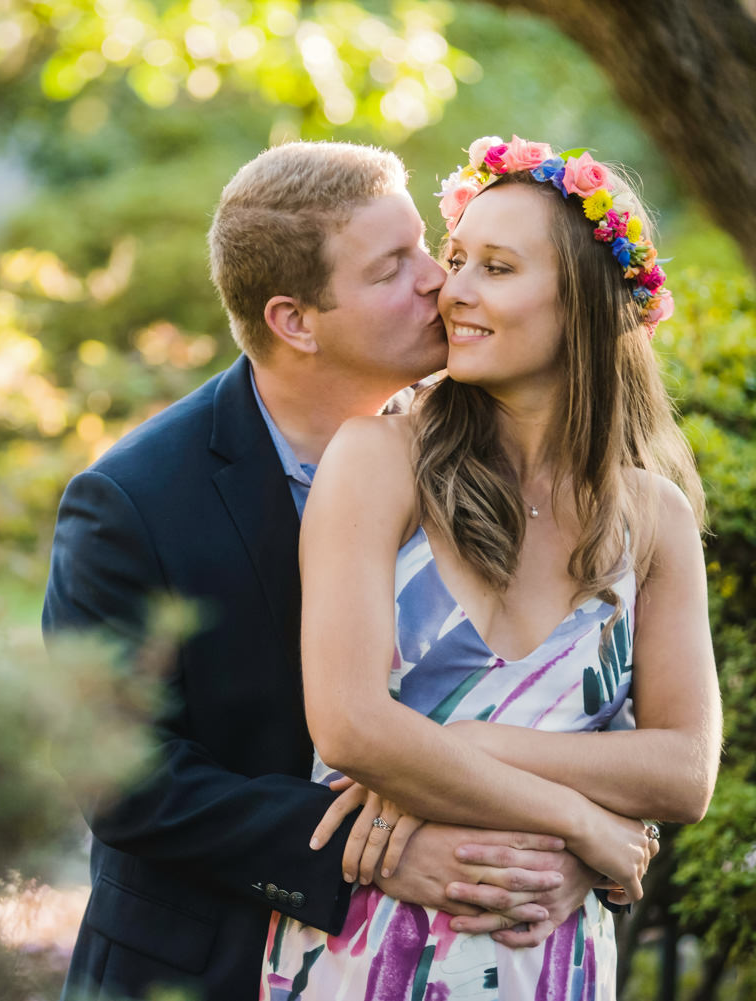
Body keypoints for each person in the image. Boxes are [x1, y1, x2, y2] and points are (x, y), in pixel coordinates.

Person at [43, 142, 606, 1001]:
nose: (438, 280)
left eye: (429, 246)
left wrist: (576, 846)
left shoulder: (482, 455)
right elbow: (119, 775)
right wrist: (371, 855)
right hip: (202, 970)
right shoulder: (132, 502)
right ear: (295, 321)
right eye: (393, 268)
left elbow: (563, 690)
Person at [261, 136, 724, 1000]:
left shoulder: (654, 516)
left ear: (583, 302)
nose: (454, 290)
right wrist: (581, 818)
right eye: (456, 258)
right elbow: (352, 728)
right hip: (373, 950)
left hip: (556, 953)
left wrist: (461, 747)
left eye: (497, 268)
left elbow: (684, 771)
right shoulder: (378, 460)